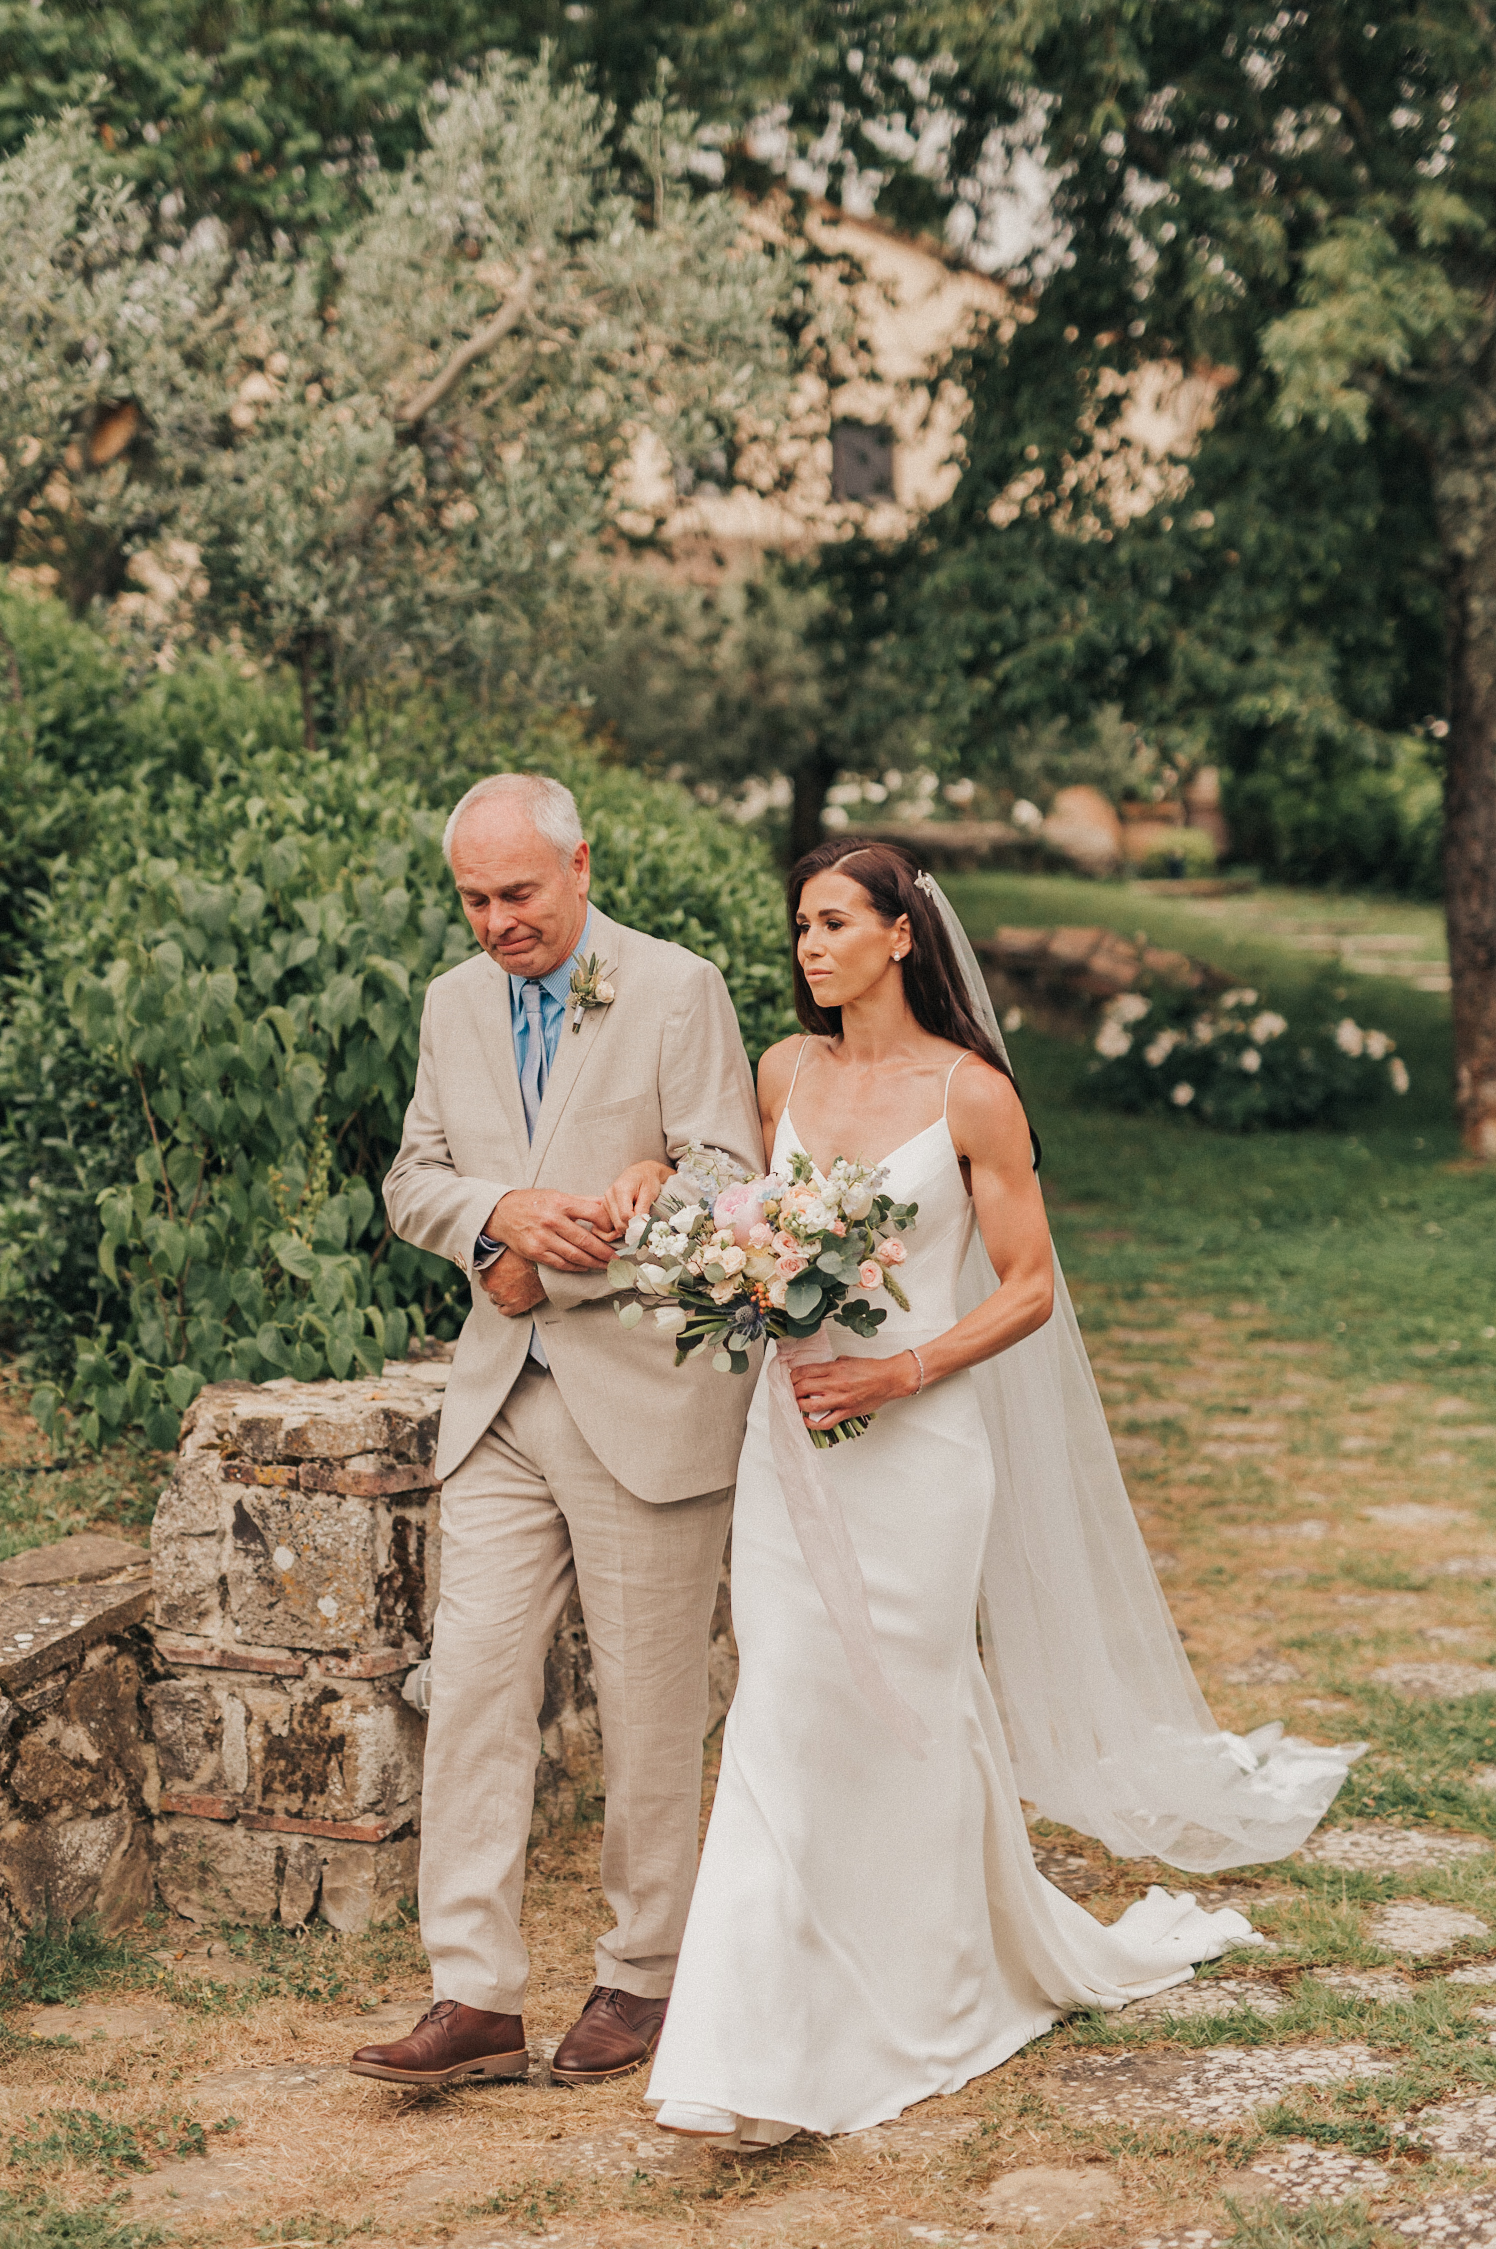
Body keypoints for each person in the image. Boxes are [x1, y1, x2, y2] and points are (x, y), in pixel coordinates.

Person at [646, 836, 1359, 2149]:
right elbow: (752, 1218)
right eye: (799, 925)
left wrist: (904, 1367)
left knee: (907, 1708)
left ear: (902, 933)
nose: (810, 946)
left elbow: (1028, 1286)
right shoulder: (783, 1072)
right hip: (792, 1436)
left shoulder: (972, 1094)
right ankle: (748, 2053)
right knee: (785, 1704)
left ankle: (930, 1980)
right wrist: (726, 1256)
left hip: (923, 1447)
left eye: (835, 921)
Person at [353, 772, 762, 2091]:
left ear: (581, 864)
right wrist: (502, 1215)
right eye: (472, 898)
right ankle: (473, 1992)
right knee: (472, 1680)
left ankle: (642, 1976)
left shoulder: (677, 987)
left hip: (645, 1403)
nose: (494, 922)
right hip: (499, 1403)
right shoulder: (448, 1004)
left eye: (517, 893)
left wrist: (576, 1251)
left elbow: (730, 1183)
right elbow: (415, 1179)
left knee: (651, 1699)